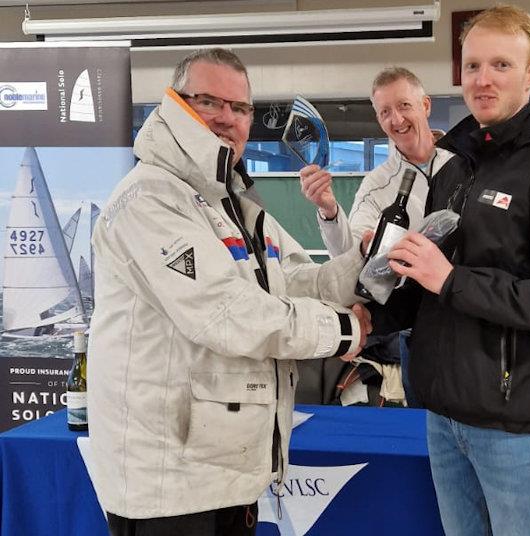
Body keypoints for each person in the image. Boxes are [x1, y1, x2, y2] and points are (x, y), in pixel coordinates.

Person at [87, 48, 371, 536]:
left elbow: (300, 279)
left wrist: (369, 265)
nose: (227, 118)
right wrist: (345, 331)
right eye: (209, 102)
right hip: (169, 486)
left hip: (225, 472)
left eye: (240, 108)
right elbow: (227, 314)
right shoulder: (150, 197)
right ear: (175, 103)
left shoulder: (234, 203)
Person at [387, 5, 530, 535]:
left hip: (516, 425)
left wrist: (452, 279)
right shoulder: (457, 166)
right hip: (444, 414)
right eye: (472, 66)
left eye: (501, 66)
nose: (483, 80)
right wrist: (378, 313)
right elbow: (434, 278)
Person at [298, 67, 452, 405]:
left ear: (425, 105)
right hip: (414, 327)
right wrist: (328, 210)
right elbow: (350, 253)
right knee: (424, 428)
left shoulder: (466, 166)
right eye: (385, 112)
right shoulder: (377, 185)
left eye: (404, 106)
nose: (396, 119)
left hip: (466, 316)